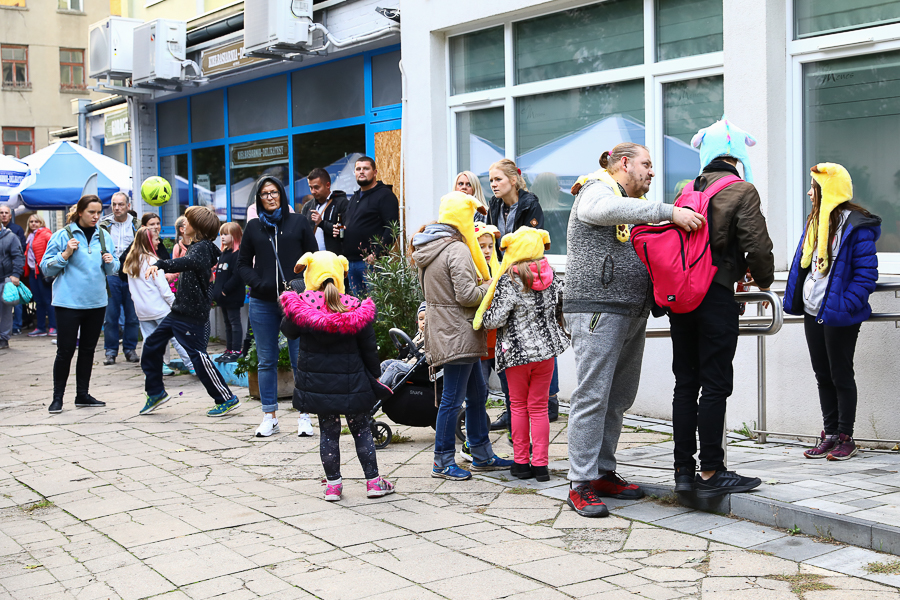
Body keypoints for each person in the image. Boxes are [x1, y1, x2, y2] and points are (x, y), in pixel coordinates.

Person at [564, 142, 703, 517]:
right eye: (647, 164)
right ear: (624, 164)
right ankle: (579, 483)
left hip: (628, 310)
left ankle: (602, 472)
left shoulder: (625, 201)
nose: (652, 172)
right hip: (596, 309)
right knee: (593, 396)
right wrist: (667, 212)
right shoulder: (597, 188)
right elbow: (601, 211)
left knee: (618, 396)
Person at [669, 120, 775, 498]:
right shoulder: (741, 189)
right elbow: (757, 246)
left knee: (685, 383)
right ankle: (712, 471)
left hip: (681, 297)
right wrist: (763, 282)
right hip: (714, 294)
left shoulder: (685, 191)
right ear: (738, 157)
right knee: (714, 383)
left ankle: (683, 471)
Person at [411, 191, 513, 480]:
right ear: (463, 218)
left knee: (478, 394)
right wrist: (492, 285)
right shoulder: (456, 248)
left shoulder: (432, 244)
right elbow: (467, 295)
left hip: (448, 329)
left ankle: (481, 454)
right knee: (452, 400)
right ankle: (442, 462)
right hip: (458, 332)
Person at [784, 163, 880, 462]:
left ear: (829, 190)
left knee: (840, 374)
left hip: (839, 312)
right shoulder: (815, 221)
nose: (810, 194)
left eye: (814, 188)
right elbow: (804, 264)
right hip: (814, 310)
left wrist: (846, 304)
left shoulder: (856, 225)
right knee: (822, 374)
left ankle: (846, 437)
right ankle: (830, 434)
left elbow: (866, 275)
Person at [280, 251, 395, 501]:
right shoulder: (354, 307)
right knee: (361, 429)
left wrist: (295, 300)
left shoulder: (302, 308)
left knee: (328, 432)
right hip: (352, 384)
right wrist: (375, 378)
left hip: (318, 386)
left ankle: (333, 486)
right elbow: (368, 349)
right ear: (341, 274)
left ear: (310, 274)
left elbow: (287, 331)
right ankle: (374, 483)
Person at [477, 227, 569, 483]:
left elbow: (494, 320)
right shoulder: (551, 276)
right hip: (546, 353)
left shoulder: (511, 280)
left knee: (517, 406)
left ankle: (521, 463)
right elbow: (563, 305)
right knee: (539, 408)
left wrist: (484, 312)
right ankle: (541, 466)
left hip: (516, 353)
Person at [139, 206, 241, 417]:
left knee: (198, 358)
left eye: (188, 221)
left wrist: (161, 264)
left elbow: (189, 262)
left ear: (199, 227)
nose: (183, 224)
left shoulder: (202, 248)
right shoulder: (197, 246)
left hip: (192, 315)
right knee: (151, 345)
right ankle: (156, 392)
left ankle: (226, 398)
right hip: (178, 312)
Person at [237, 176, 318, 438]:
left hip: (295, 302)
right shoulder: (252, 227)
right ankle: (269, 416)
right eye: (264, 194)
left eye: (273, 192)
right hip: (262, 302)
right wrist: (258, 283)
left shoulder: (298, 223)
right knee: (266, 360)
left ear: (281, 194)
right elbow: (242, 265)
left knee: (300, 359)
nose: (270, 197)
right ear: (258, 199)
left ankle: (304, 415)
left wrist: (301, 285)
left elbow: (314, 259)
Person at [40, 195, 118, 413]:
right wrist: (65, 254)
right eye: (91, 212)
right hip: (68, 304)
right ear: (80, 212)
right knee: (65, 351)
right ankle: (57, 398)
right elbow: (46, 268)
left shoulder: (103, 236)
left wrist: (112, 263)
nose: (96, 216)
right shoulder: (61, 235)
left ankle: (82, 395)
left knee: (88, 350)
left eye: (98, 212)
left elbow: (113, 269)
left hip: (96, 302)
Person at [123, 227, 192, 377]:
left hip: (142, 310)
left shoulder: (130, 262)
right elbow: (163, 288)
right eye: (155, 239)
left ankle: (154, 367)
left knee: (150, 340)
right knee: (177, 337)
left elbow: (131, 289)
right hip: (159, 308)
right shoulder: (153, 261)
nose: (158, 242)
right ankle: (192, 365)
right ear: (148, 241)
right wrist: (175, 305)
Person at [335, 157, 400, 296]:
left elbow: (392, 228)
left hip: (371, 263)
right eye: (358, 169)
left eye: (366, 168)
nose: (361, 172)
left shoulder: (384, 195)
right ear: (354, 172)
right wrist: (341, 230)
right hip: (351, 263)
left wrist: (377, 254)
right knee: (359, 309)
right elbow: (351, 225)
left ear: (375, 172)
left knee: (377, 308)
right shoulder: (354, 197)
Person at [99, 192, 140, 365]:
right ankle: (110, 351)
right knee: (111, 316)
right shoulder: (104, 225)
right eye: (114, 204)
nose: (117, 208)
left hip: (132, 276)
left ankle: (130, 349)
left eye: (121, 204)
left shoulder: (137, 225)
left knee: (132, 316)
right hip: (111, 274)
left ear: (128, 206)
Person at [486, 159, 544, 258]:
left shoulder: (530, 205)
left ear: (513, 180)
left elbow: (533, 242)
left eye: (498, 179)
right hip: (499, 268)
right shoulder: (494, 205)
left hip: (523, 268)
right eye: (491, 180)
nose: (493, 184)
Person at [212, 222, 245, 363]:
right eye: (221, 234)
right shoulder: (224, 253)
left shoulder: (237, 255)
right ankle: (229, 349)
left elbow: (237, 275)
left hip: (232, 296)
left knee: (234, 322)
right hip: (223, 297)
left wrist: (225, 290)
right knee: (227, 323)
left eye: (226, 234)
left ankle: (236, 350)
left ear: (235, 236)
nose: (222, 237)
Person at [300, 168, 349, 254]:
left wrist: (322, 223)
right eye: (310, 187)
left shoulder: (342, 203)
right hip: (313, 260)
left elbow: (345, 232)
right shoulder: (308, 206)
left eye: (316, 187)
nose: (313, 191)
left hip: (334, 260)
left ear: (327, 185)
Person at [379, 301, 426, 387]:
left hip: (419, 368)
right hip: (409, 363)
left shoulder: (433, 337)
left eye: (427, 318)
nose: (423, 322)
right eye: (421, 319)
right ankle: (377, 387)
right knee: (385, 364)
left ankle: (380, 391)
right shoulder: (418, 334)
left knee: (394, 366)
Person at [23, 214, 56, 337]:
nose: (33, 224)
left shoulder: (45, 233)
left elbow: (55, 246)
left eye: (36, 221)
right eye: (31, 221)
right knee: (38, 301)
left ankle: (53, 327)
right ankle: (41, 327)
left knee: (48, 300)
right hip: (33, 272)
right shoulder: (30, 236)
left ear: (41, 222)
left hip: (43, 272)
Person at [0, 205, 25, 335]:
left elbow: (19, 256)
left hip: (5, 278)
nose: (2, 215)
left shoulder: (11, 237)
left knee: (5, 311)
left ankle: (3, 338)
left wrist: (15, 274)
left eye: (4, 213)